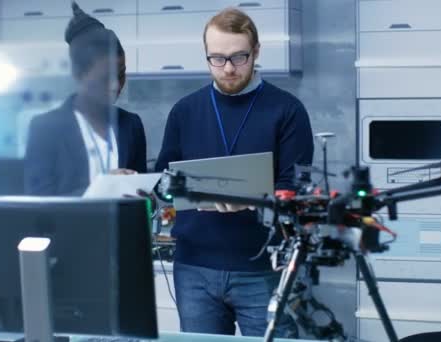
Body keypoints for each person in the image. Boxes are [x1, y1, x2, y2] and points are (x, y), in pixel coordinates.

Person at [155, 8, 314, 337]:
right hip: (194, 268)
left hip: (262, 268)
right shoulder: (184, 111)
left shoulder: (287, 110)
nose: (228, 68)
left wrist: (253, 200)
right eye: (217, 58)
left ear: (256, 52)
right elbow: (164, 179)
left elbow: (295, 189)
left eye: (239, 57)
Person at [24, 2, 146, 196]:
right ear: (78, 74)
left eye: (121, 74)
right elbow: (40, 202)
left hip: (124, 227)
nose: (116, 86)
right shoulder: (45, 128)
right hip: (69, 227)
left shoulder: (131, 125)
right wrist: (102, 188)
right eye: (105, 78)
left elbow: (141, 197)